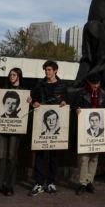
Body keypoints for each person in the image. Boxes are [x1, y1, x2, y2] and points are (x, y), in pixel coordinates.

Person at [72, 72, 105, 195]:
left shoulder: (103, 94)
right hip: (84, 130)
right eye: (93, 84)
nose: (96, 86)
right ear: (88, 83)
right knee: (83, 157)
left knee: (94, 157)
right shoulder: (81, 93)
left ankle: (89, 181)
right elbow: (73, 107)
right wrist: (77, 110)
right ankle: (82, 182)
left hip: (98, 133)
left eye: (97, 84)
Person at [30, 60, 68, 197]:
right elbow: (32, 100)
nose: (47, 72)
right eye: (46, 70)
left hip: (57, 127)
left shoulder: (63, 85)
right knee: (40, 155)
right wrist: (33, 103)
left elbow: (67, 101)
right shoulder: (39, 85)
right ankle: (39, 182)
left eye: (50, 70)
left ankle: (51, 182)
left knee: (53, 156)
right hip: (41, 125)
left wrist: (64, 102)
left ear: (56, 71)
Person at [0, 68, 27, 197]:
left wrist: (29, 102)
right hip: (1, 128)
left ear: (19, 76)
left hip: (16, 130)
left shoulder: (24, 92)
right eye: (10, 75)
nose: (11, 77)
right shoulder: (2, 90)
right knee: (1, 157)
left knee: (12, 157)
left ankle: (9, 186)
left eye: (14, 75)